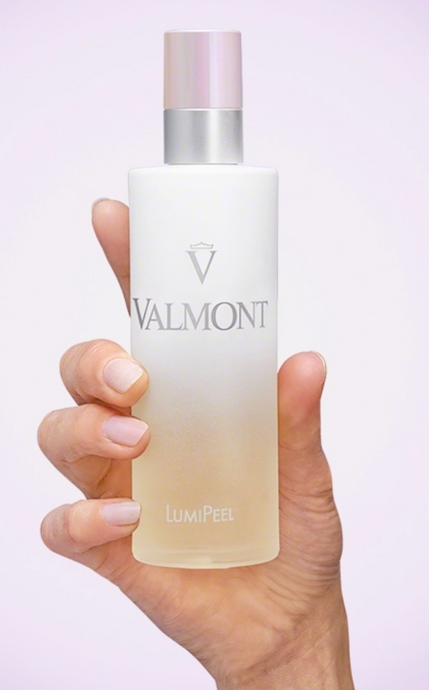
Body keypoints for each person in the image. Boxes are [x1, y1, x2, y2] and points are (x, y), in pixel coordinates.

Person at [37, 199, 355, 689]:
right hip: (168, 511)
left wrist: (298, 650)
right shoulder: (160, 195)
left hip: (257, 538)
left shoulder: (247, 195)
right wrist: (280, 666)